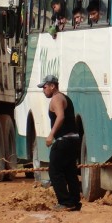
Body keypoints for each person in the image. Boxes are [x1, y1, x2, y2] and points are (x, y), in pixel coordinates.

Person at [39, 75, 82, 211]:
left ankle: (65, 202)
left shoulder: (56, 98)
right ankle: (75, 202)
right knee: (70, 171)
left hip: (64, 141)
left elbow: (61, 116)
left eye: (44, 87)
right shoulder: (65, 97)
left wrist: (51, 135)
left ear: (52, 86)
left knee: (55, 171)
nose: (43, 90)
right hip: (73, 140)